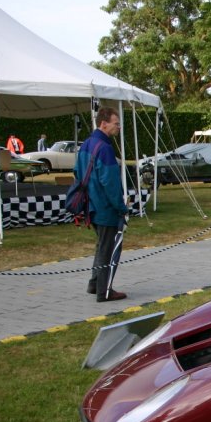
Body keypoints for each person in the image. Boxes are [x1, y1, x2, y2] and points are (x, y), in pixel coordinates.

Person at [75, 107, 129, 302]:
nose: (119, 127)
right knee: (109, 249)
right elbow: (111, 183)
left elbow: (77, 173)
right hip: (105, 207)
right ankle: (104, 291)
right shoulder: (105, 148)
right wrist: (122, 207)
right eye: (116, 123)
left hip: (91, 205)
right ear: (103, 123)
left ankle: (94, 283)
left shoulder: (87, 144)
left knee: (101, 246)